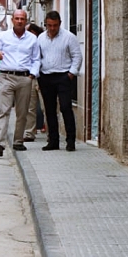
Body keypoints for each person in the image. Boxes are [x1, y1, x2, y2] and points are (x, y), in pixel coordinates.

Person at [0, 9, 40, 157]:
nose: (19, 21)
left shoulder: (32, 39)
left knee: (22, 111)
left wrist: (32, 74)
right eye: (17, 18)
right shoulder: (3, 36)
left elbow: (36, 59)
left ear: (26, 21)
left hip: (25, 78)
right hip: (6, 76)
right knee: (3, 110)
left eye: (22, 19)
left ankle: (18, 141)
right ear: (12, 20)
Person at [38, 10, 83, 151]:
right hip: (45, 77)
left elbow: (77, 56)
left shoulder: (69, 37)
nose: (52, 28)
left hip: (63, 76)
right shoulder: (40, 38)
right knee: (50, 110)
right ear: (46, 24)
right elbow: (37, 56)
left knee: (65, 107)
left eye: (55, 25)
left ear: (60, 24)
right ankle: (53, 141)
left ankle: (70, 141)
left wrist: (71, 73)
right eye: (49, 25)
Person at [24, 23, 46, 141]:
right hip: (31, 77)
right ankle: (29, 133)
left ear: (34, 32)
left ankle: (50, 132)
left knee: (45, 106)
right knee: (30, 106)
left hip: (43, 76)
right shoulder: (26, 43)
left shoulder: (43, 42)